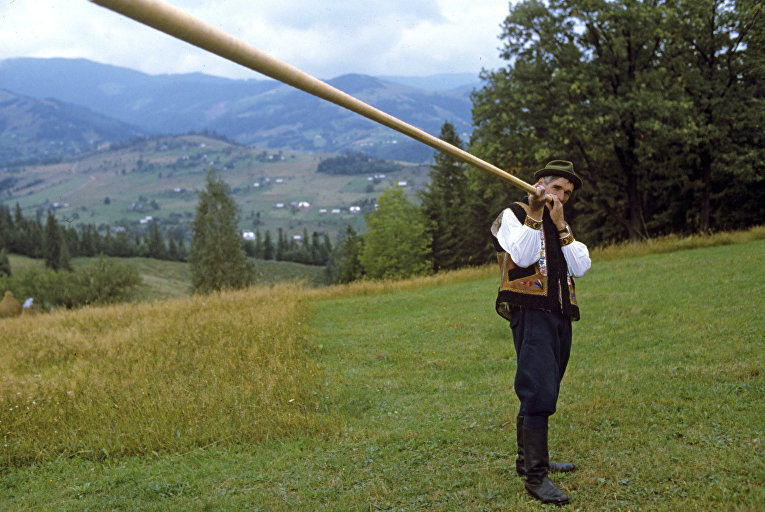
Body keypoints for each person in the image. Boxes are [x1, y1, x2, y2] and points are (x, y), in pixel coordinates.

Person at [490, 160, 591, 505]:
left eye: (567, 192)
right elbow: (521, 253)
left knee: (547, 382)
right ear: (539, 184)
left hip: (560, 313)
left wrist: (562, 225)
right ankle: (535, 476)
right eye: (557, 188)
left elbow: (581, 265)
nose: (561, 196)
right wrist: (534, 212)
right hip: (531, 313)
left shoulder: (560, 222)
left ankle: (530, 460)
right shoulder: (512, 215)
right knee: (538, 388)